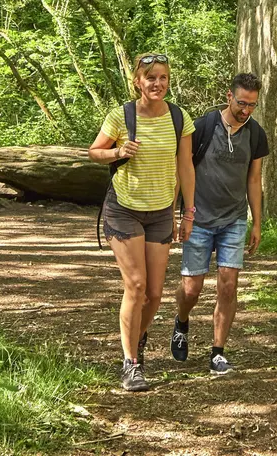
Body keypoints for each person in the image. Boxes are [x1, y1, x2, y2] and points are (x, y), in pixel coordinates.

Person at [88, 53, 195, 393]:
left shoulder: (179, 118)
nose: (157, 84)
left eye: (162, 77)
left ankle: (136, 335)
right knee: (135, 285)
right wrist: (117, 152)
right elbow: (94, 152)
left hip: (161, 211)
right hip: (124, 209)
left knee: (153, 294)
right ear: (138, 81)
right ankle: (131, 363)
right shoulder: (122, 116)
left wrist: (187, 212)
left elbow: (186, 168)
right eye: (150, 78)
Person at [171, 72, 268, 378]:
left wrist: (256, 222)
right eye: (242, 102)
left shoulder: (255, 134)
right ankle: (181, 323)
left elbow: (254, 180)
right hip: (198, 218)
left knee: (228, 285)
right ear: (229, 96)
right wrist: (178, 213)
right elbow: (182, 169)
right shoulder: (203, 126)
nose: (246, 110)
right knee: (192, 288)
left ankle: (217, 352)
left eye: (252, 104)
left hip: (234, 220)